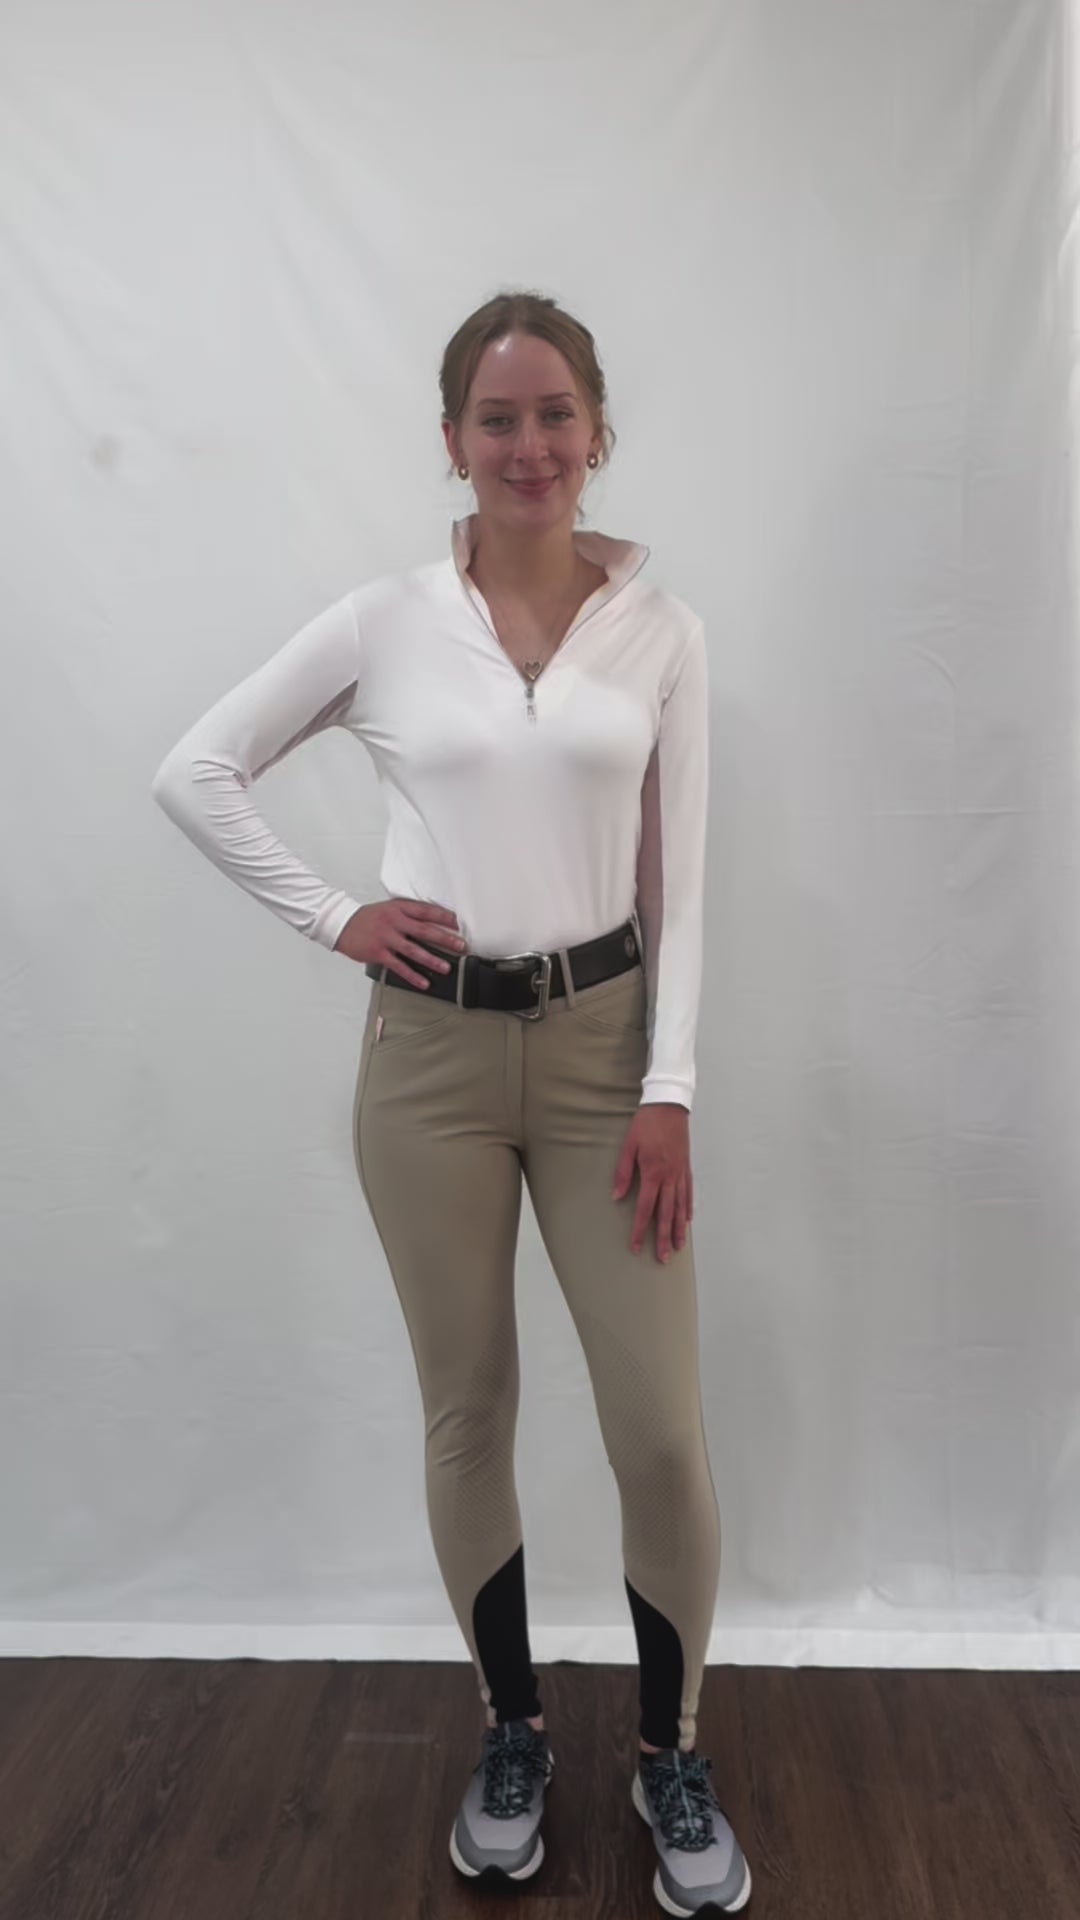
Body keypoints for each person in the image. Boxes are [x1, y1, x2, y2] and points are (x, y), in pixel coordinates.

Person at [150, 288, 752, 1916]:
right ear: (452, 440)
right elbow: (194, 770)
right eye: (498, 419)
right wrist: (335, 913)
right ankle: (512, 1731)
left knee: (659, 1431)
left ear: (598, 431)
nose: (529, 445)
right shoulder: (386, 621)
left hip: (608, 1061)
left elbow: (680, 884)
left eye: (556, 415)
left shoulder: (664, 632)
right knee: (468, 1407)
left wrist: (671, 1085)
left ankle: (671, 1751)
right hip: (427, 1067)